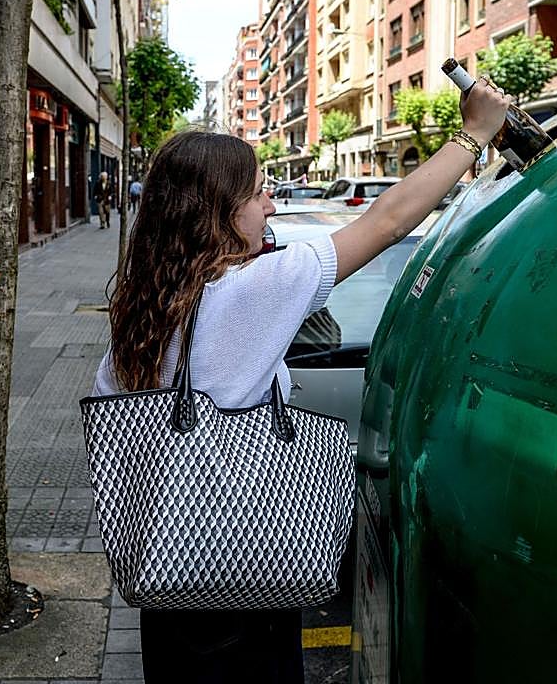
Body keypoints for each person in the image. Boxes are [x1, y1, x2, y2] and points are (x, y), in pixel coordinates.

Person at [90, 81, 510, 682]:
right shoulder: (246, 291)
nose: (270, 206)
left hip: (164, 572)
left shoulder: (145, 302)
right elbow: (387, 222)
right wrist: (473, 135)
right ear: (216, 212)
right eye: (258, 195)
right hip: (243, 573)